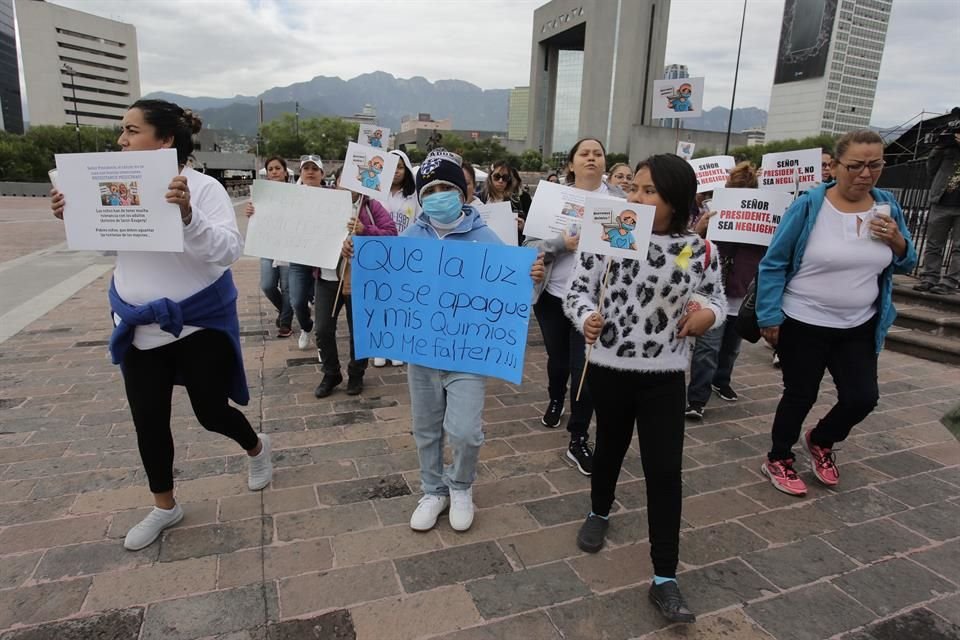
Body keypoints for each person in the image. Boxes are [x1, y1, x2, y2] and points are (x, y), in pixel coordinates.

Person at [49, 99, 272, 551]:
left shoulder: (203, 188)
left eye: (132, 131)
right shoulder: (114, 183)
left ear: (166, 140)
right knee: (148, 419)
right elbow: (110, 251)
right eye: (123, 130)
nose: (121, 139)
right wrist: (76, 217)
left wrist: (187, 216)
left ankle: (257, 448)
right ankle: (165, 506)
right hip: (138, 325)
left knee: (211, 413)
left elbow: (226, 251)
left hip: (196, 324)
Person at [342, 148, 544, 532]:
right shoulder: (409, 236)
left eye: (446, 187)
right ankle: (433, 489)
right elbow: (386, 282)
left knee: (466, 431)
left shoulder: (487, 237)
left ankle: (461, 485)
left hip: (468, 356)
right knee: (425, 427)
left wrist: (530, 278)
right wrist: (356, 255)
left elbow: (513, 294)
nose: (438, 194)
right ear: (421, 195)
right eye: (430, 188)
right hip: (422, 354)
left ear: (464, 193)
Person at [566, 154, 725, 624]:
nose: (635, 198)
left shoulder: (698, 250)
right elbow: (576, 291)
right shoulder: (608, 234)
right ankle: (598, 510)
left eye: (648, 191)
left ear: (674, 201)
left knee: (664, 471)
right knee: (610, 446)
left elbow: (715, 298)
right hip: (610, 369)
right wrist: (586, 318)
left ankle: (664, 577)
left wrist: (707, 316)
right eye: (633, 188)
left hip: (664, 378)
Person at [757, 130, 917, 496]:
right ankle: (779, 457)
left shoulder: (887, 205)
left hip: (860, 323)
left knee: (862, 397)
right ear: (834, 165)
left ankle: (821, 440)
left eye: (875, 165)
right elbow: (774, 263)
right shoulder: (810, 206)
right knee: (800, 394)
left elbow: (908, 262)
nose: (866, 174)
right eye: (856, 165)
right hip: (804, 319)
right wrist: (769, 316)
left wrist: (896, 239)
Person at [524, 138, 625, 476]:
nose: (592, 158)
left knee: (586, 369)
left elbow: (629, 251)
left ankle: (578, 436)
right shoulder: (552, 198)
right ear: (571, 164)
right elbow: (529, 246)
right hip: (553, 297)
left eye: (598, 153)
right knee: (559, 360)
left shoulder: (620, 202)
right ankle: (556, 397)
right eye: (585, 153)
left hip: (594, 304)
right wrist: (559, 245)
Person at [685, 162, 765, 419]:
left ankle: (722, 380)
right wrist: (699, 231)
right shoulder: (712, 214)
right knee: (707, 348)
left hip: (741, 294)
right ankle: (696, 398)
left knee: (731, 347)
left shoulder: (763, 217)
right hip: (712, 293)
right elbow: (684, 256)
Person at [314, 167, 398, 398]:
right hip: (326, 277)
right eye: (344, 180)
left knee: (359, 330)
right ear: (337, 181)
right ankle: (331, 373)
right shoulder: (321, 202)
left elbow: (392, 234)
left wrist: (365, 230)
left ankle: (356, 373)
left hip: (360, 280)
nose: (348, 186)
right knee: (322, 329)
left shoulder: (371, 206)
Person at [372, 149, 420, 367]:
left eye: (400, 167)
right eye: (392, 167)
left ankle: (399, 345)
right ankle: (380, 346)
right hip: (378, 256)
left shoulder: (415, 196)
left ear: (407, 169)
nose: (396, 172)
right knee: (380, 300)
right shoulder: (374, 193)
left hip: (406, 257)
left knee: (402, 301)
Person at [245, 156, 293, 338]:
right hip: (267, 245)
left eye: (277, 168)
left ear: (285, 172)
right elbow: (254, 216)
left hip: (289, 246)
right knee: (267, 285)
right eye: (271, 169)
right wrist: (250, 212)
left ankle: (286, 323)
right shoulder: (260, 194)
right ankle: (285, 310)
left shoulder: (295, 192)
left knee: (288, 287)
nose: (274, 171)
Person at [914, 124, 960, 295]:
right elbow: (931, 168)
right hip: (941, 200)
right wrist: (939, 147)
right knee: (934, 243)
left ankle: (951, 282)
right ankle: (929, 278)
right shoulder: (947, 148)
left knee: (959, 247)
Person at [289, 155, 325, 350]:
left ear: (322, 173)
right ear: (300, 173)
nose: (310, 172)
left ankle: (323, 345)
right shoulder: (289, 196)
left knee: (323, 306)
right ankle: (306, 326)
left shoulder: (333, 196)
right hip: (299, 258)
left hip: (324, 260)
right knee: (296, 300)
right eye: (306, 168)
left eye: (314, 168)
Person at [482, 159, 531, 242]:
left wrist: (523, 227)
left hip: (508, 245)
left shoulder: (515, 200)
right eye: (497, 176)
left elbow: (524, 230)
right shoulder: (481, 197)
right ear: (490, 177)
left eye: (505, 178)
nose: (500, 181)